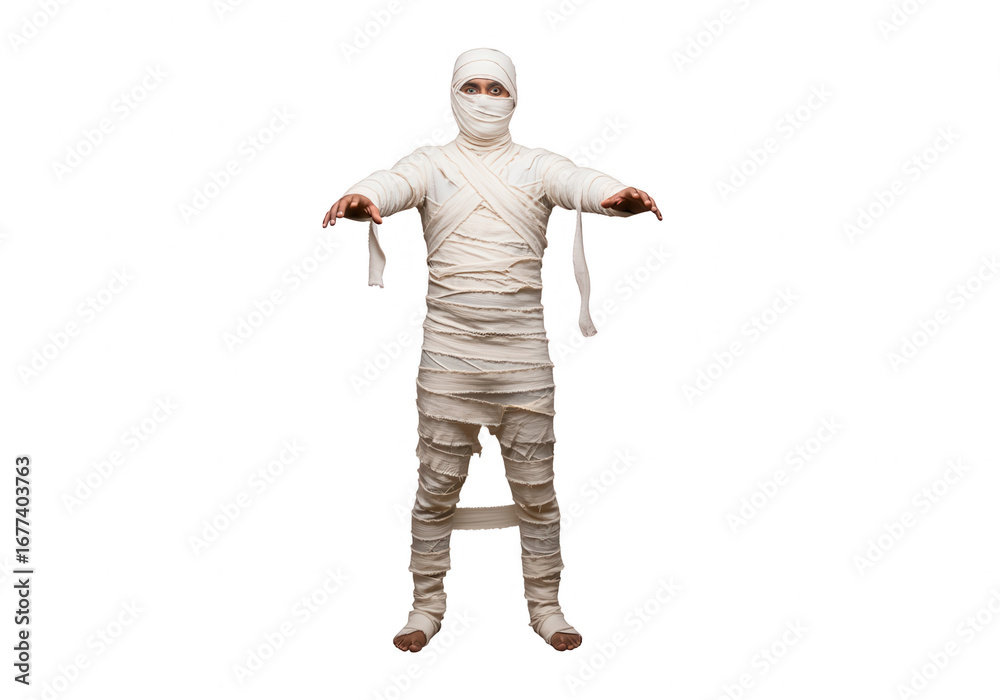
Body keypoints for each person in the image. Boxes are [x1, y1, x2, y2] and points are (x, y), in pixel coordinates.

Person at [323, 48, 661, 652]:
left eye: (496, 88)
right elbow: (392, 183)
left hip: (522, 362)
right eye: (472, 87)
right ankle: (426, 605)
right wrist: (360, 195)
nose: (484, 98)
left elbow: (577, 180)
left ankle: (546, 606)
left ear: (514, 97)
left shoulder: (536, 166)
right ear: (454, 94)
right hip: (448, 362)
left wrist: (613, 194)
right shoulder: (430, 164)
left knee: (537, 493)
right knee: (435, 490)